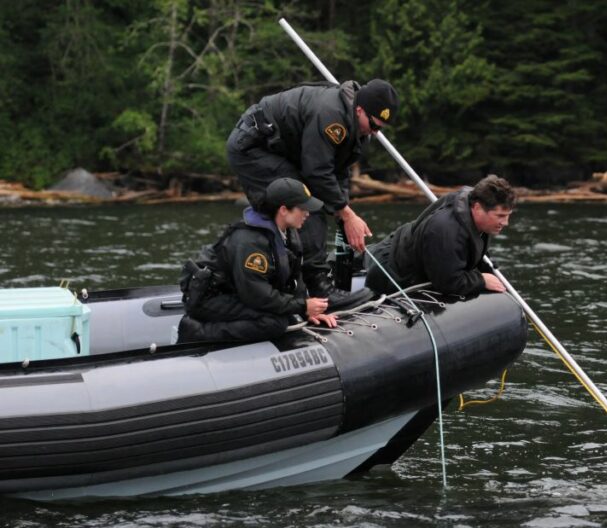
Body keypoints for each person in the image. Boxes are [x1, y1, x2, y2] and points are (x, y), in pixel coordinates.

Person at [226, 77, 399, 301]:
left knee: (323, 207)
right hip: (253, 148)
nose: (375, 133)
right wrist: (346, 214)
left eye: (380, 129)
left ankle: (304, 278)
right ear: (359, 109)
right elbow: (317, 172)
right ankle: (317, 286)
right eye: (374, 125)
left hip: (283, 152)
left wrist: (343, 213)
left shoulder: (358, 129)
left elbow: (339, 171)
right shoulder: (331, 117)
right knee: (306, 203)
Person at [176, 177, 372, 343]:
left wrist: (308, 311)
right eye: (302, 208)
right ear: (284, 210)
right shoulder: (250, 242)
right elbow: (256, 295)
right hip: (211, 298)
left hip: (238, 292)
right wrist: (302, 306)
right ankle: (195, 331)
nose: (307, 213)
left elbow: (295, 279)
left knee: (286, 316)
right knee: (275, 323)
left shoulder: (289, 233)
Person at [364, 175, 516, 296]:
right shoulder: (446, 232)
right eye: (500, 216)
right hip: (391, 268)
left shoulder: (477, 200)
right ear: (477, 208)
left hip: (408, 242)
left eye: (508, 215)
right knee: (355, 258)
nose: (506, 222)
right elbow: (447, 283)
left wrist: (487, 268)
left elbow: (475, 244)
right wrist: (481, 280)